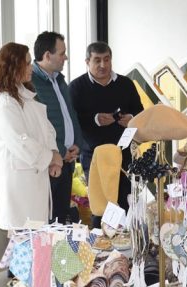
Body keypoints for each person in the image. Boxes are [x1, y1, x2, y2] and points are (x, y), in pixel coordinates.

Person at [0, 42, 63, 231]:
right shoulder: (4, 103)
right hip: (19, 185)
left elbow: (47, 129)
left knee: (35, 241)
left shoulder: (24, 96)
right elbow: (20, 142)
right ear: (13, 67)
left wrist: (53, 154)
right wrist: (52, 157)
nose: (31, 67)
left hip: (33, 179)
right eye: (27, 63)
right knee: (23, 242)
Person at [68, 41, 144, 222]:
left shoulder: (126, 84)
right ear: (87, 62)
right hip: (93, 156)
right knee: (101, 205)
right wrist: (94, 119)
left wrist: (131, 119)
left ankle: (127, 245)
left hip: (123, 154)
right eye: (97, 61)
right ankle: (100, 246)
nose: (103, 65)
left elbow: (141, 113)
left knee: (125, 202)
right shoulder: (76, 87)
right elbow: (71, 121)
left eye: (106, 60)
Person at [31, 32, 84, 224]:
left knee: (62, 218)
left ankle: (62, 254)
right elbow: (40, 126)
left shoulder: (59, 80)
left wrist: (77, 143)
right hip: (50, 164)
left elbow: (71, 114)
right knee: (48, 221)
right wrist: (60, 152)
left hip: (67, 161)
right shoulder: (31, 83)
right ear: (47, 56)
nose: (66, 57)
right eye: (62, 53)